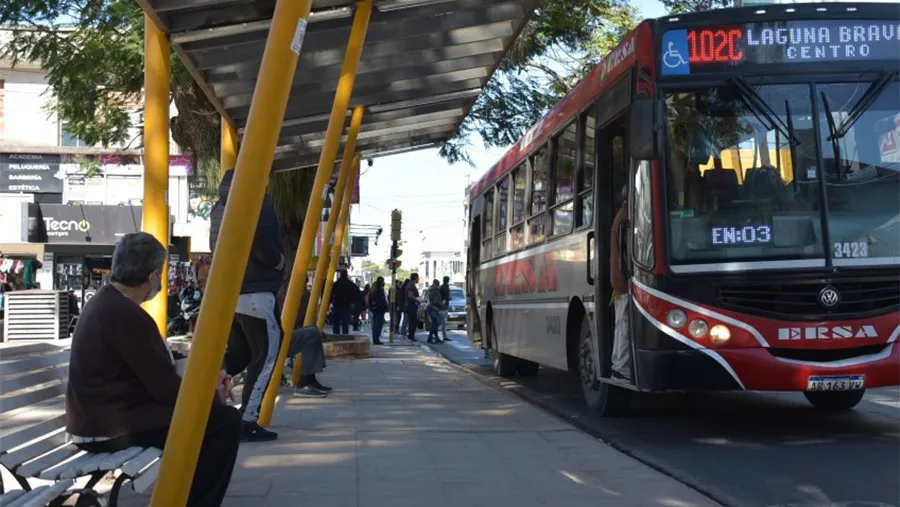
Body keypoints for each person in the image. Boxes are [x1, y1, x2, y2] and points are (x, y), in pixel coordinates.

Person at [66, 232, 241, 507]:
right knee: (223, 422)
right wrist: (212, 396)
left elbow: (157, 365)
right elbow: (165, 389)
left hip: (98, 418)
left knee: (212, 417)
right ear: (151, 275)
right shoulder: (125, 315)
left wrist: (209, 382)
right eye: (160, 273)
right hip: (106, 427)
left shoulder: (108, 303)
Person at [210, 169, 284, 442]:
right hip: (257, 289)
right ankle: (248, 420)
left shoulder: (218, 208)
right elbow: (261, 239)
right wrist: (277, 260)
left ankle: (207, 402)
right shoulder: (256, 201)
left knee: (238, 356)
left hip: (231, 291)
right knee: (266, 355)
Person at [610, 186, 632, 381]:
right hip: (625, 280)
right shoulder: (625, 219)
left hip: (620, 280)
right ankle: (622, 368)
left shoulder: (621, 215)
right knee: (624, 324)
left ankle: (619, 365)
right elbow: (627, 254)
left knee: (621, 323)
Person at [331, 270, 359, 335]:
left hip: (337, 304)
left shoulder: (336, 284)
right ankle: (345, 335)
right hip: (346, 305)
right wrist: (353, 301)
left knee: (336, 322)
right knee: (345, 322)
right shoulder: (350, 284)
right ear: (346, 274)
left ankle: (336, 335)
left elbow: (330, 293)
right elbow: (357, 293)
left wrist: (331, 301)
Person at [368, 277, 388, 345]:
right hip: (380, 310)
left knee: (375, 325)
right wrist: (385, 307)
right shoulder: (380, 290)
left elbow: (370, 300)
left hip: (375, 310)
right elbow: (383, 301)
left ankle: (375, 339)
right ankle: (376, 340)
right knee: (378, 325)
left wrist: (371, 308)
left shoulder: (373, 290)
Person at [425, 279, 443, 344]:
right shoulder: (436, 291)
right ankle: (430, 338)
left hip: (430, 308)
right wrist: (441, 303)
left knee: (435, 323)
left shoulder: (429, 290)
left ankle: (435, 338)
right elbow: (435, 301)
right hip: (434, 308)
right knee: (437, 323)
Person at [405, 273, 420, 342]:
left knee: (412, 321)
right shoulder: (411, 285)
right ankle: (411, 335)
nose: (418, 279)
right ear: (415, 278)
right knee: (413, 321)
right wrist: (418, 300)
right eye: (418, 278)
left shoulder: (411, 284)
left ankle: (410, 335)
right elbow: (410, 296)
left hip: (411, 305)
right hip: (411, 306)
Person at [439, 276, 452, 342]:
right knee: (443, 322)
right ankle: (444, 336)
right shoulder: (445, 287)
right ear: (448, 280)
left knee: (440, 322)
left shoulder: (441, 287)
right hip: (444, 307)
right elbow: (445, 297)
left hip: (442, 306)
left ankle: (440, 336)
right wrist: (449, 298)